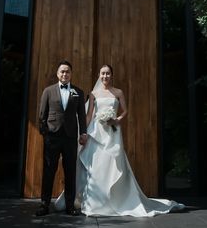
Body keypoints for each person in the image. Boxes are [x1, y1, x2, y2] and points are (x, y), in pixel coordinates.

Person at [77, 64, 184, 217]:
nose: (105, 76)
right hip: (97, 134)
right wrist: (84, 133)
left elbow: (125, 111)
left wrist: (116, 119)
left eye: (108, 73)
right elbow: (89, 115)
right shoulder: (94, 94)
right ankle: (95, 203)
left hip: (113, 132)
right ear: (99, 76)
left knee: (113, 163)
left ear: (112, 75)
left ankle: (118, 199)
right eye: (103, 73)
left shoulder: (118, 92)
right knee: (97, 166)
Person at [34, 60, 87, 217]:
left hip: (70, 137)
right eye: (62, 71)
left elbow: (81, 115)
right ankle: (44, 204)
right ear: (57, 74)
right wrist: (45, 133)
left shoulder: (77, 92)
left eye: (67, 71)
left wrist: (83, 133)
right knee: (49, 170)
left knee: (70, 172)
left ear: (71, 74)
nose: (65, 74)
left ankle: (70, 206)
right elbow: (42, 115)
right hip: (52, 137)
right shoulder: (48, 91)